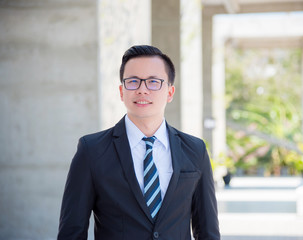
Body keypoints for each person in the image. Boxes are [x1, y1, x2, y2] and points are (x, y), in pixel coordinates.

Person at [57, 45, 220, 240]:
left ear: (170, 92)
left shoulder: (195, 150)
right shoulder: (92, 150)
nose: (142, 90)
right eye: (133, 81)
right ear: (121, 91)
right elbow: (71, 232)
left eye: (153, 82)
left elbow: (208, 231)